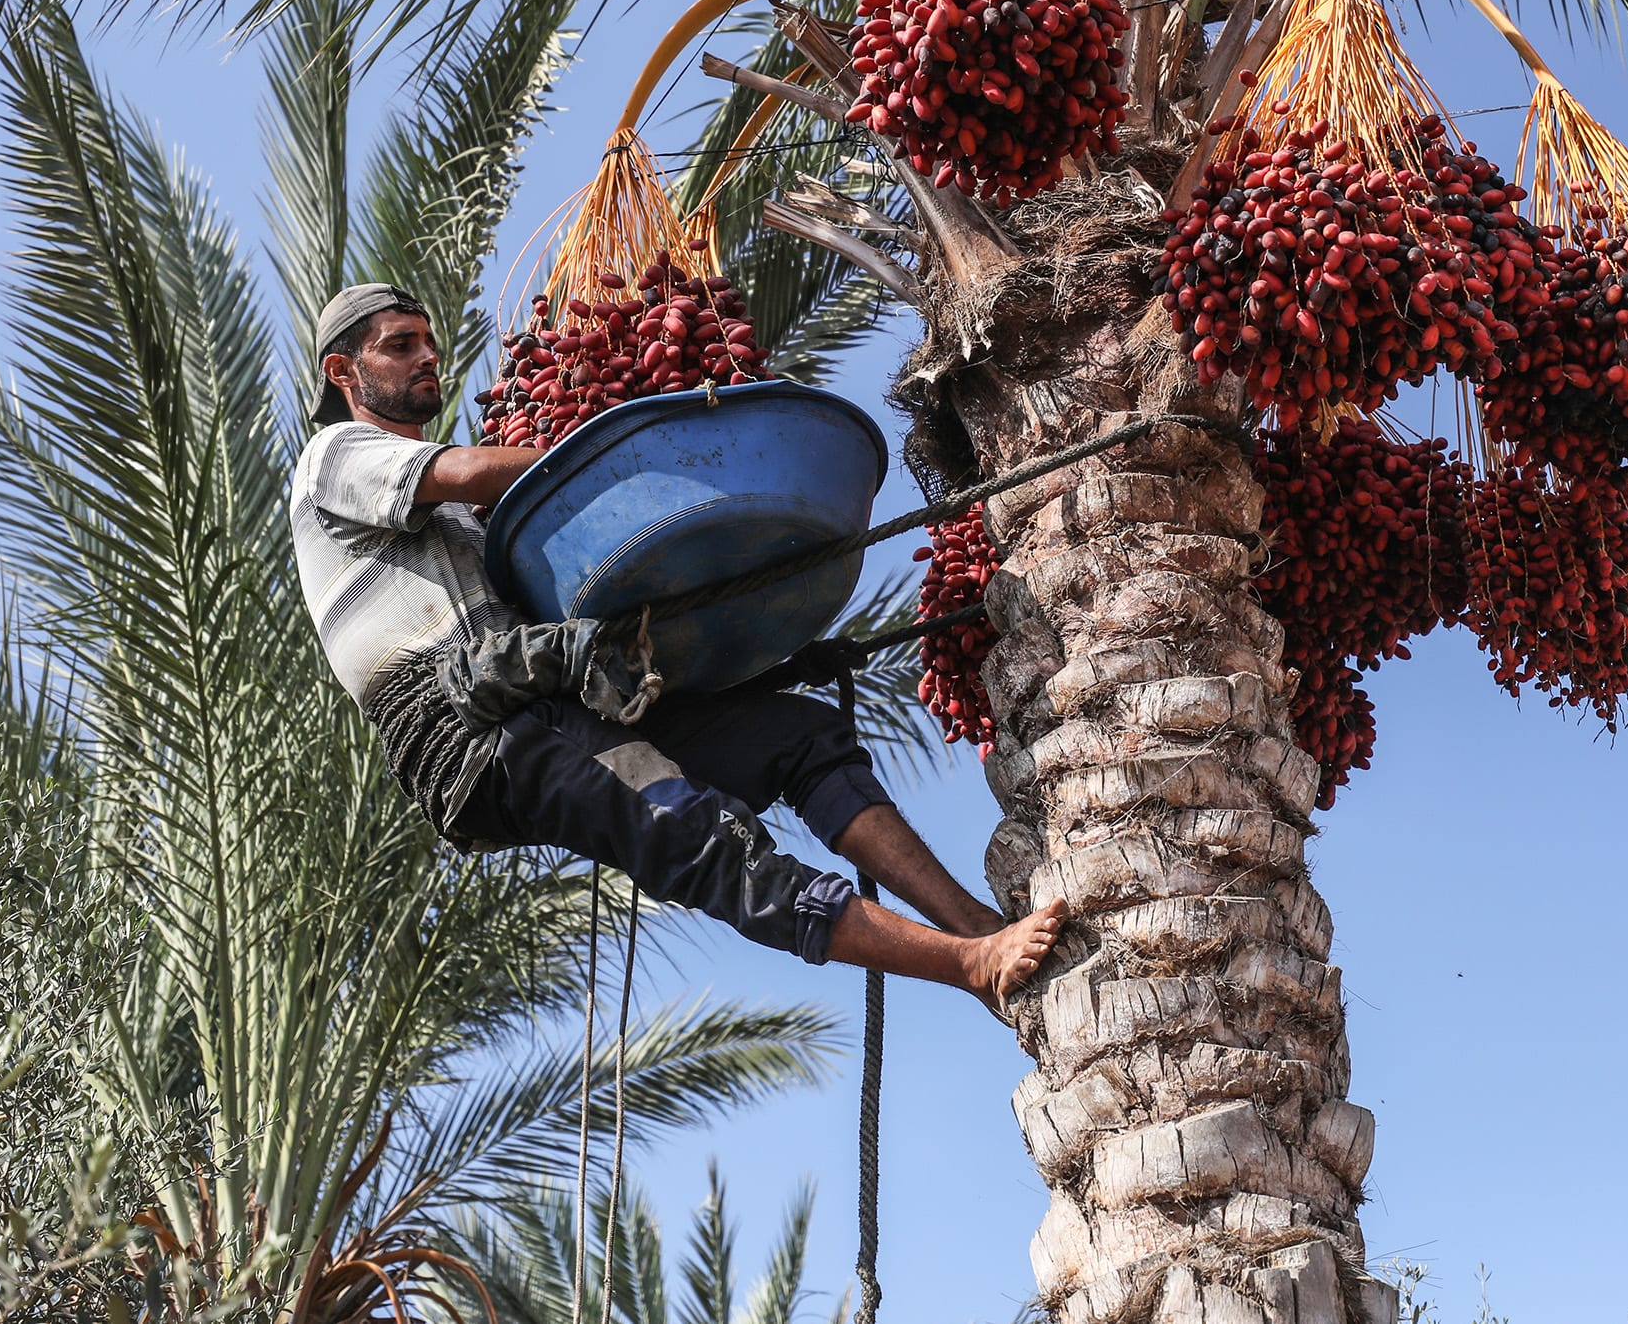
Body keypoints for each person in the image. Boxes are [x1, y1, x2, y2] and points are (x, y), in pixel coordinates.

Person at [290, 282, 1064, 1004]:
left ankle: (976, 927)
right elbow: (464, 468)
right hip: (480, 733)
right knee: (701, 841)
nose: (427, 356)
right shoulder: (334, 455)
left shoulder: (460, 524)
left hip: (547, 700)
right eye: (399, 345)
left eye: (428, 342)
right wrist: (624, 460)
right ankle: (967, 966)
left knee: (794, 736)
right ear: (343, 371)